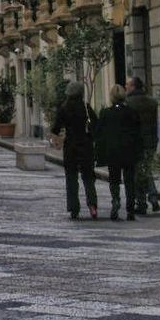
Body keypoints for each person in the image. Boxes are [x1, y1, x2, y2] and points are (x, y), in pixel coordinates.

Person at [50, 81, 98, 220]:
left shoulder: (63, 109)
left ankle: (74, 208)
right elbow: (96, 125)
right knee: (88, 178)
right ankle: (92, 206)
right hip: (86, 146)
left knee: (71, 178)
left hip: (71, 147)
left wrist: (57, 141)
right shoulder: (86, 108)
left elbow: (55, 129)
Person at [95, 83, 143, 221]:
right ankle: (130, 208)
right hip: (129, 151)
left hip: (113, 152)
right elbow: (137, 133)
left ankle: (115, 201)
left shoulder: (105, 113)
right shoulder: (132, 113)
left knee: (114, 179)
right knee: (129, 180)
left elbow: (99, 134)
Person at [126, 75, 160, 214]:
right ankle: (145, 202)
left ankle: (149, 199)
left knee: (139, 172)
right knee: (145, 170)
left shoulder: (128, 103)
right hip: (151, 140)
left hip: (137, 143)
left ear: (133, 86)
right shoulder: (152, 102)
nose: (126, 87)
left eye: (128, 84)